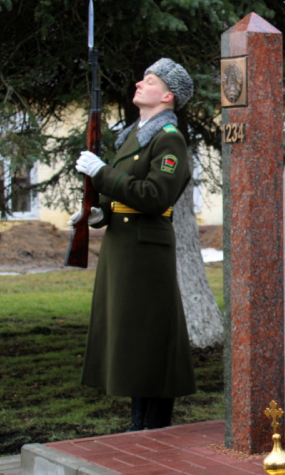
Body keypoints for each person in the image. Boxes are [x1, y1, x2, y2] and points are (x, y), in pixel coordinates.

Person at [69, 58, 197, 431]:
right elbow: (124, 196)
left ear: (168, 96)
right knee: (130, 341)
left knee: (149, 340)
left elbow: (155, 196)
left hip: (146, 253)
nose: (140, 84)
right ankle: (138, 427)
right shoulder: (135, 135)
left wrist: (101, 173)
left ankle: (151, 428)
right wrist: (99, 214)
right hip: (123, 249)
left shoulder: (169, 139)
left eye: (150, 80)